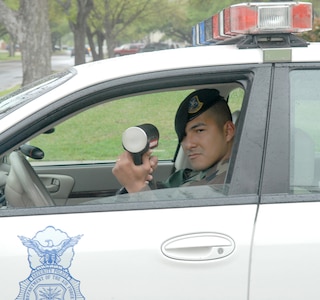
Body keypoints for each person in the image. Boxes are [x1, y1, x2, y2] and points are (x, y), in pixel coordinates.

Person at [112, 88, 236, 193]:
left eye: (199, 131)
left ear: (228, 131)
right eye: (184, 136)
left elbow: (169, 221)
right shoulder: (191, 175)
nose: (188, 144)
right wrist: (141, 177)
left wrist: (137, 187)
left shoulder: (228, 184)